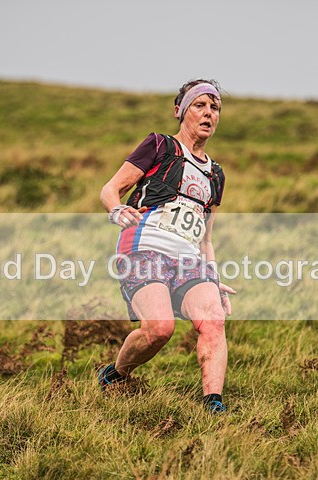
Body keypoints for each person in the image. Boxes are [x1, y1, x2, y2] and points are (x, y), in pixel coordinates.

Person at [99, 79, 236, 414]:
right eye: (199, 106)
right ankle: (115, 375)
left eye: (214, 108)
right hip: (143, 248)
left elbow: (205, 238)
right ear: (180, 111)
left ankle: (213, 405)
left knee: (213, 320)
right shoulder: (159, 146)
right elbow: (110, 188)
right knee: (159, 329)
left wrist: (214, 279)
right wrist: (116, 209)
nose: (208, 114)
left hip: (189, 259)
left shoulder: (215, 175)